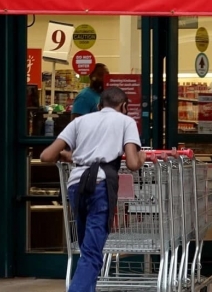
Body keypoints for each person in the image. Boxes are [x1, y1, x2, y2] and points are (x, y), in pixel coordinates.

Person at [40, 87, 146, 292]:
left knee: (87, 249)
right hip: (101, 186)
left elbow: (46, 156)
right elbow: (132, 163)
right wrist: (141, 157)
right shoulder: (126, 122)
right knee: (92, 252)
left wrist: (69, 155)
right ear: (124, 106)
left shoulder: (80, 122)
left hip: (76, 185)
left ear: (99, 106)